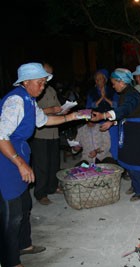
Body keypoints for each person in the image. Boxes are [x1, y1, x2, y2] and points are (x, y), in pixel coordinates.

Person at [0, 62, 83, 267]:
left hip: (17, 156)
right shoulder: (15, 101)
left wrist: (71, 116)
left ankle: (24, 244)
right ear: (26, 82)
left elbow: (44, 120)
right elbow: (1, 136)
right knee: (11, 214)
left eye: (44, 83)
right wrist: (20, 163)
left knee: (25, 205)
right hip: (6, 161)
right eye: (39, 83)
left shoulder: (29, 99)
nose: (43, 87)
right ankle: (10, 261)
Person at [91, 68, 140, 202]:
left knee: (135, 160)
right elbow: (122, 113)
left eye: (114, 83)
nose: (112, 85)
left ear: (122, 82)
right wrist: (111, 123)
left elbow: (124, 109)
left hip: (137, 131)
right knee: (128, 158)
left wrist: (104, 115)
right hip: (128, 128)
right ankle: (135, 185)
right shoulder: (124, 93)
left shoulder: (132, 94)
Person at [30, 62, 63, 206]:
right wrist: (52, 110)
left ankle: (52, 186)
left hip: (54, 132)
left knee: (54, 162)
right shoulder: (34, 91)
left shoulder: (50, 90)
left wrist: (62, 111)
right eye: (46, 73)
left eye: (51, 74)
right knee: (41, 165)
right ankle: (40, 193)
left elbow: (57, 108)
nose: (49, 77)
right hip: (41, 133)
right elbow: (32, 113)